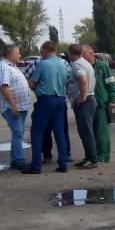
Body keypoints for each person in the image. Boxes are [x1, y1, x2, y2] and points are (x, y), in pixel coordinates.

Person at [21, 41, 70, 174]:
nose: (40, 53)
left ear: (46, 50)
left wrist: (34, 86)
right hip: (60, 100)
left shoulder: (42, 64)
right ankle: (63, 164)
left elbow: (32, 84)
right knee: (59, 133)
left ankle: (36, 166)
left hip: (45, 100)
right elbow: (67, 81)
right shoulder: (64, 63)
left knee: (37, 132)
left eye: (41, 51)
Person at [0, 44, 32, 171]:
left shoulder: (11, 66)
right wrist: (13, 105)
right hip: (12, 108)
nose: (20, 55)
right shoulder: (3, 67)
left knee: (19, 133)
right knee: (17, 132)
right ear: (11, 54)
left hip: (20, 107)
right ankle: (18, 160)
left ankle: (16, 159)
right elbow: (4, 87)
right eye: (18, 53)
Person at [65, 42, 99, 169]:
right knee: (84, 131)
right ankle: (88, 157)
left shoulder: (76, 64)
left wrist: (82, 97)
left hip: (84, 102)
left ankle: (93, 160)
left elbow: (83, 80)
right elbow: (93, 81)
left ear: (70, 53)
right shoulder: (86, 63)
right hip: (89, 99)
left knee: (86, 131)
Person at [90, 47, 115, 164]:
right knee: (92, 130)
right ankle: (94, 153)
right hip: (88, 103)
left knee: (102, 131)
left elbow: (111, 82)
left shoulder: (102, 67)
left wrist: (112, 99)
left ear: (91, 54)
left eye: (84, 54)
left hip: (101, 103)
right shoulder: (83, 66)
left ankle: (103, 155)